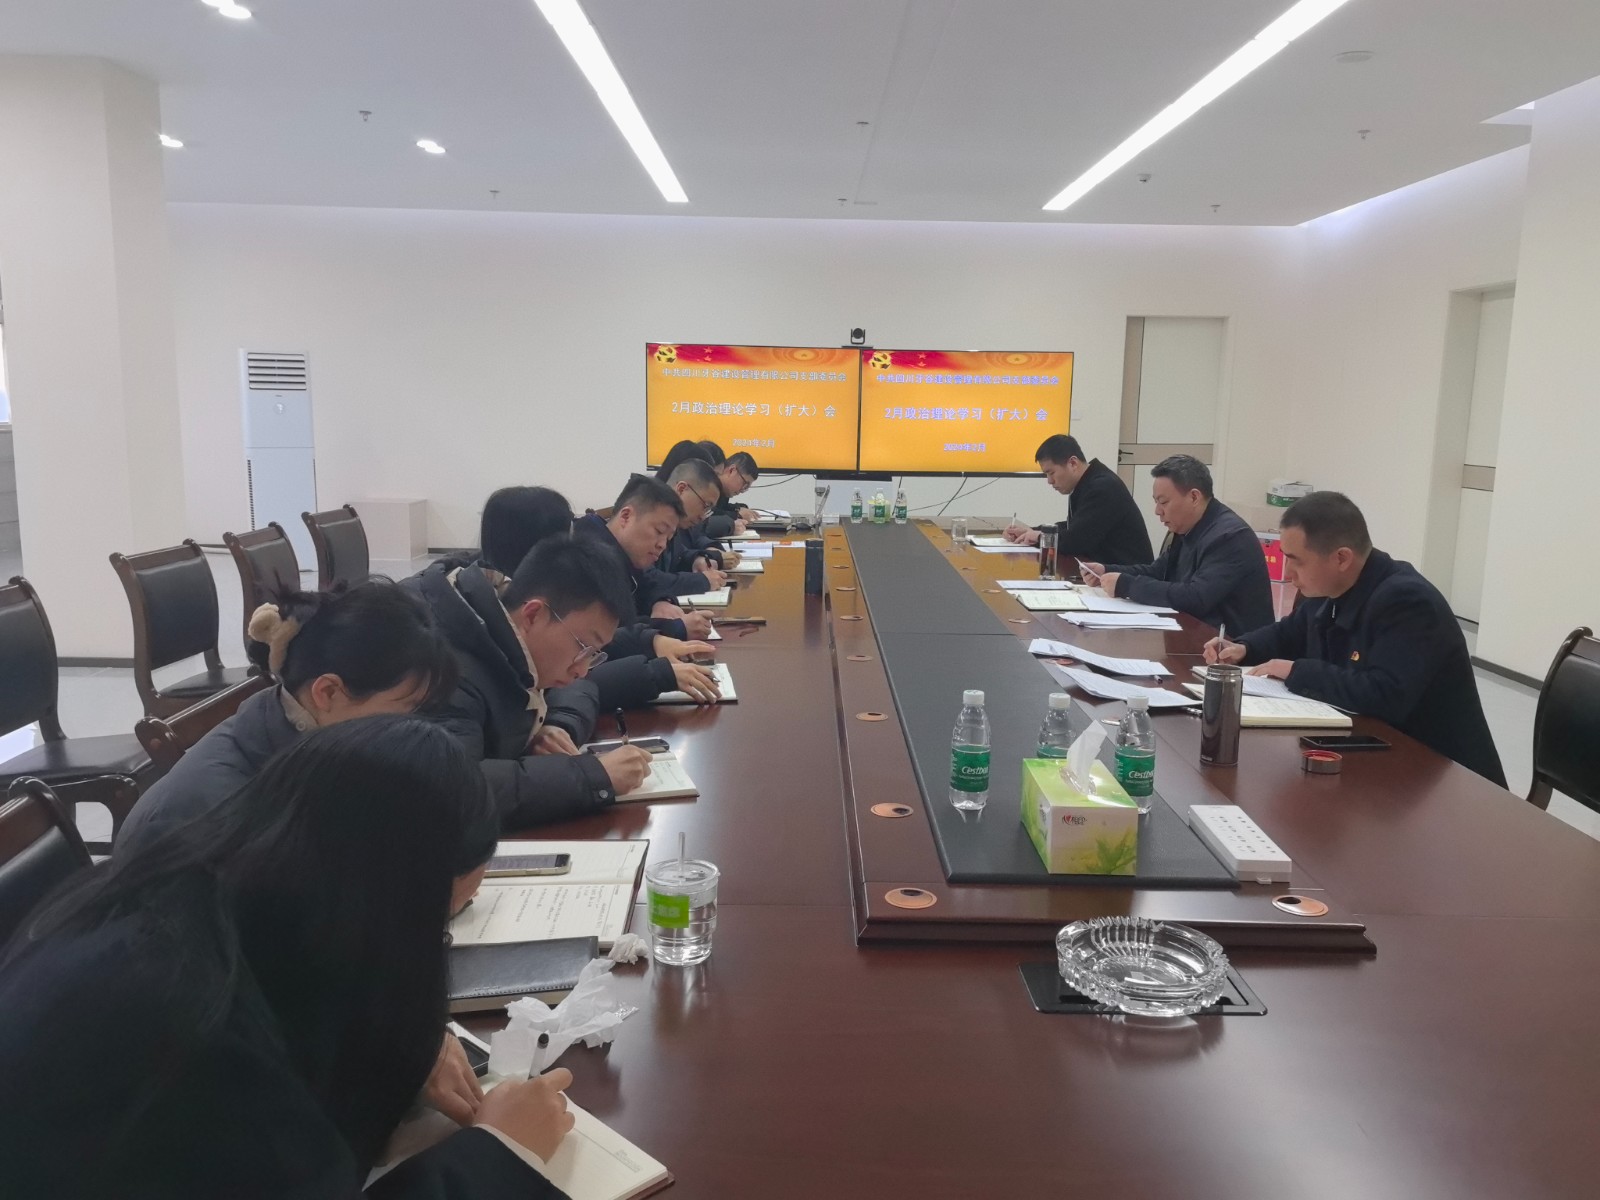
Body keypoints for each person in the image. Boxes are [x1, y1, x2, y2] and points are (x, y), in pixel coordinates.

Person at [0, 717, 576, 1198]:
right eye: (434, 922)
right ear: (377, 903)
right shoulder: (191, 1017)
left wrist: (398, 1045)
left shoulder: (213, 886)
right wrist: (502, 1153)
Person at [117, 580, 459, 852]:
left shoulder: (316, 741)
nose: (415, 728)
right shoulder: (219, 810)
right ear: (328, 692)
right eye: (405, 712)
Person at [1204, 491, 1507, 785]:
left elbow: (1384, 695)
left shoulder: (1407, 601)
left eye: (1297, 560)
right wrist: (1244, 647)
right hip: (1374, 756)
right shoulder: (1331, 588)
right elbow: (1289, 631)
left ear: (1342, 558)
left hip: (1444, 779)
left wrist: (1297, 671)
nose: (1289, 572)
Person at [410, 533, 654, 825]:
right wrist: (594, 776)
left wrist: (555, 725)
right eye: (584, 647)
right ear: (533, 615)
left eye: (594, 654)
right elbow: (454, 791)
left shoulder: (501, 627)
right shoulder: (448, 667)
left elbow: (580, 685)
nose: (582, 669)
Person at [1081, 454, 1274, 635]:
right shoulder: (1188, 527)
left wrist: (1126, 585)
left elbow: (1196, 598)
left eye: (1163, 502)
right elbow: (1158, 571)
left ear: (1194, 497)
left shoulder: (1230, 537)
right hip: (1194, 635)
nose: (1157, 511)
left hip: (1229, 647)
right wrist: (1106, 571)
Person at [576, 476, 716, 642]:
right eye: (659, 531)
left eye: (668, 538)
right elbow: (606, 634)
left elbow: (648, 585)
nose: (662, 545)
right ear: (626, 516)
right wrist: (675, 628)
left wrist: (660, 601)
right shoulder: (586, 558)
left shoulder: (625, 554)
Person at [1004, 435, 1153, 566]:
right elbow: (1075, 527)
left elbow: (1075, 542)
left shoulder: (1103, 487)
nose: (1049, 481)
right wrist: (1031, 531)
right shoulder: (1087, 482)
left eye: (1051, 473)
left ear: (1073, 463)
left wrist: (1038, 536)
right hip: (1105, 571)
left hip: (1127, 576)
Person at [704, 451, 760, 539]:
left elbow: (721, 508)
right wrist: (736, 515)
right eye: (745, 484)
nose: (743, 490)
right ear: (731, 470)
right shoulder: (707, 485)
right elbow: (708, 515)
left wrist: (737, 508)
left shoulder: (724, 491)